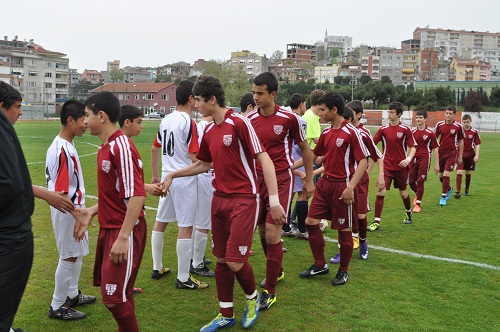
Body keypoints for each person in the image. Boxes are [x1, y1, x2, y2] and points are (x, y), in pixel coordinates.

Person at [161, 75, 286, 331]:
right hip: (219, 200)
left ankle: (252, 300)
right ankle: (225, 314)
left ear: (212, 99)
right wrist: (173, 174)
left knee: (235, 261)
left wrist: (273, 200)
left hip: (244, 200)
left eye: (198, 100)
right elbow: (204, 163)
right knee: (220, 260)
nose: (196, 105)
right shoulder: (208, 130)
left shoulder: (239, 123)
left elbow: (265, 160)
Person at [78, 91, 148, 332]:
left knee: (114, 299)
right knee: (121, 295)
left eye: (87, 115)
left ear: (101, 116)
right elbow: (118, 195)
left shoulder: (121, 147)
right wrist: (92, 211)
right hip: (112, 228)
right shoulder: (106, 148)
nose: (84, 121)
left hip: (123, 231)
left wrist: (123, 237)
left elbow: (137, 195)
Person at [247, 72, 314, 310]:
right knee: (263, 231)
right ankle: (277, 269)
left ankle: (270, 291)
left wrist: (308, 180)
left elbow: (306, 150)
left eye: (260, 93)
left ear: (273, 94)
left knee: (274, 233)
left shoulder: (289, 118)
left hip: (281, 180)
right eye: (254, 92)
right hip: (256, 181)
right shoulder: (250, 119)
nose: (255, 97)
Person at [298, 92, 369, 286]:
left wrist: (351, 187)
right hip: (325, 184)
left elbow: (363, 160)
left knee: (343, 230)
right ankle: (320, 264)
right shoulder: (327, 133)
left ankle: (343, 271)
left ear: (334, 110)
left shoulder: (351, 132)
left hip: (342, 186)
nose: (319, 113)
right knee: (310, 221)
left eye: (322, 110)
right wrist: (289, 166)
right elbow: (314, 156)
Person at [150, 80, 213, 289]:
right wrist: (210, 165)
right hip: (184, 178)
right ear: (191, 98)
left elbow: (154, 149)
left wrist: (155, 176)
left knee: (161, 222)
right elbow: (194, 155)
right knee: (185, 227)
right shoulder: (189, 122)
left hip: (167, 177)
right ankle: (184, 278)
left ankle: (157, 266)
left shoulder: (166, 120)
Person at [45, 100, 96, 321]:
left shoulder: (64, 144)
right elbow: (62, 192)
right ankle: (57, 305)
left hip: (72, 208)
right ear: (70, 120)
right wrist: (79, 215)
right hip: (67, 210)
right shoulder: (63, 149)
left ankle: (72, 294)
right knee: (68, 256)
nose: (86, 123)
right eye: (83, 119)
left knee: (77, 253)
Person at [330, 101, 384, 263]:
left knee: (360, 216)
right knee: (342, 217)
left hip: (359, 182)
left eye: (350, 111)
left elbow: (377, 155)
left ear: (358, 115)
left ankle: (363, 243)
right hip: (342, 181)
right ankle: (343, 249)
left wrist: (380, 175)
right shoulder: (339, 131)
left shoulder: (364, 134)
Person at [0, 81, 34, 332]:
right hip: (14, 238)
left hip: (11, 238)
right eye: (18, 107)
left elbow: (10, 185)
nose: (20, 112)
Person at [119, 105, 162, 295]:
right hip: (127, 210)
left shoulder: (127, 144)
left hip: (133, 208)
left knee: (133, 252)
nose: (142, 126)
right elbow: (124, 183)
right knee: (127, 249)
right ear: (127, 122)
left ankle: (126, 284)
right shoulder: (122, 147)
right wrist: (148, 187)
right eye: (139, 122)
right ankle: (123, 287)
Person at [368, 102, 416, 231]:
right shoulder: (383, 130)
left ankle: (408, 212)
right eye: (388, 112)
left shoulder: (406, 130)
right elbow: (371, 145)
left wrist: (408, 159)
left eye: (392, 112)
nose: (389, 114)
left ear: (399, 114)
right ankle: (376, 221)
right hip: (387, 166)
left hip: (401, 167)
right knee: (381, 191)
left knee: (403, 193)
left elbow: (413, 147)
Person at [280, 93, 310, 240]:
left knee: (289, 195)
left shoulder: (285, 118)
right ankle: (302, 229)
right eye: (305, 104)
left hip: (286, 160)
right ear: (301, 104)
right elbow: (300, 145)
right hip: (297, 160)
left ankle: (285, 226)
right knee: (303, 194)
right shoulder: (300, 121)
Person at [408, 110, 439, 212]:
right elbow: (409, 146)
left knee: (420, 181)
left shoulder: (430, 133)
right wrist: (407, 158)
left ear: (425, 119)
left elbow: (435, 148)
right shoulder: (412, 132)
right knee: (411, 181)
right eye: (417, 117)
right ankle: (418, 193)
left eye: (420, 117)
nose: (418, 119)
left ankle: (418, 204)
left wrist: (437, 164)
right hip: (413, 159)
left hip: (425, 158)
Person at [435, 106, 464, 206]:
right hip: (441, 152)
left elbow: (461, 141)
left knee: (447, 174)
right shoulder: (439, 125)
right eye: (446, 113)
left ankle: (443, 197)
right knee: (441, 175)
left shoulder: (458, 126)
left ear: (454, 114)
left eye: (450, 113)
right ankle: (449, 189)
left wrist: (460, 156)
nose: (448, 115)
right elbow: (434, 139)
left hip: (452, 152)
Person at [454, 114, 480, 198]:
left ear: (470, 121)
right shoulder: (459, 131)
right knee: (459, 171)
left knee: (468, 172)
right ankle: (458, 191)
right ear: (462, 122)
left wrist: (476, 155)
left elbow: (477, 144)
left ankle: (467, 189)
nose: (466, 124)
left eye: (467, 122)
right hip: (460, 154)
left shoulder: (474, 132)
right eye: (464, 122)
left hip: (470, 154)